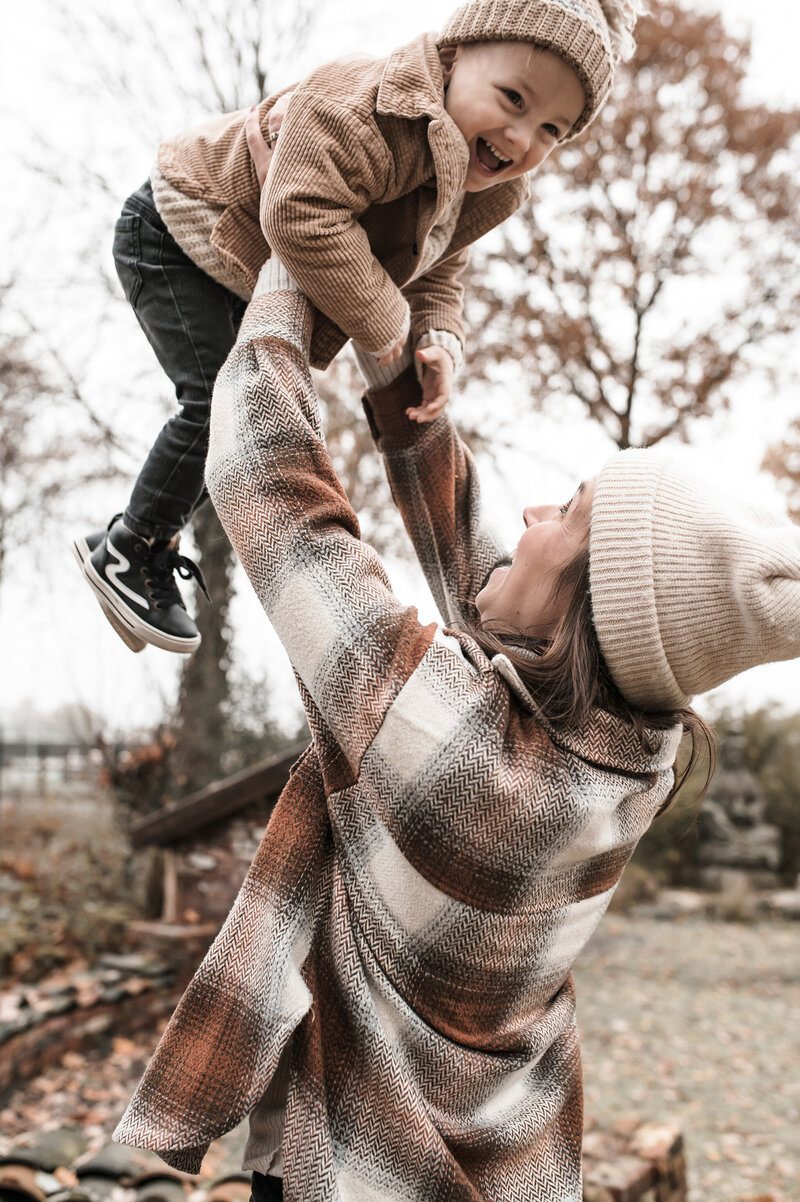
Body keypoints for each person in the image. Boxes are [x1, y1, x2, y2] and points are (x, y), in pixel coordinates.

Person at [112, 256, 800, 1200]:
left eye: (567, 513)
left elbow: (269, 489)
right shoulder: (632, 752)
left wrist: (291, 262)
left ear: (582, 617)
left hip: (359, 1171)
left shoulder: (464, 758)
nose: (531, 511)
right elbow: (486, 577)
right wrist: (403, 379)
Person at [74, 0, 640, 655]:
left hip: (233, 263)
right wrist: (386, 324)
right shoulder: (370, 107)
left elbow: (437, 264)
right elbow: (299, 215)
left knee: (247, 409)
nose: (521, 139)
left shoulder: (491, 187)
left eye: (552, 130)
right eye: (513, 98)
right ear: (456, 55)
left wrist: (436, 338)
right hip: (176, 231)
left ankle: (137, 540)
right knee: (217, 404)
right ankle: (131, 545)